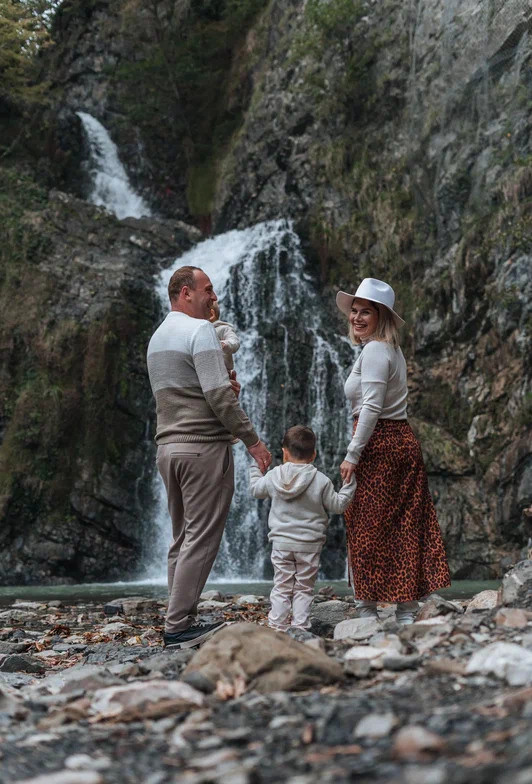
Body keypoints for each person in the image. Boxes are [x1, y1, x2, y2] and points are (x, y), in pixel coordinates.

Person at [147, 265, 271, 649]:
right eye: (207, 289)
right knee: (201, 538)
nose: (213, 297)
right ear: (185, 293)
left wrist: (220, 383)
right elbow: (219, 396)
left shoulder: (157, 337)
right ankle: (178, 626)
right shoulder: (200, 330)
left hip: (168, 449)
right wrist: (252, 440)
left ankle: (178, 615)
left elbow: (188, 390)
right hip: (202, 448)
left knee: (182, 538)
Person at [336, 278, 451, 624]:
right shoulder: (390, 349)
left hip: (379, 445)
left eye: (365, 312)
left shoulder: (374, 351)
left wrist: (353, 454)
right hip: (401, 441)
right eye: (354, 311)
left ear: (381, 316)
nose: (356, 317)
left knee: (365, 525)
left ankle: (366, 612)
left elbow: (370, 408)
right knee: (404, 525)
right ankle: (405, 612)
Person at [250, 425, 356, 631]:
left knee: (281, 586)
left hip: (281, 543)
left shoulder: (274, 475)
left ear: (284, 452)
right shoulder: (321, 480)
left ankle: (277, 626)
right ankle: (300, 627)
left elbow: (256, 489)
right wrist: (349, 483)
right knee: (304, 588)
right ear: (314, 454)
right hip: (309, 545)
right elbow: (338, 506)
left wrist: (256, 467)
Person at [209, 302, 240, 374]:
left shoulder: (223, 329)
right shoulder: (198, 332)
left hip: (224, 373)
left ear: (211, 315)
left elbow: (234, 341)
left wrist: (225, 344)